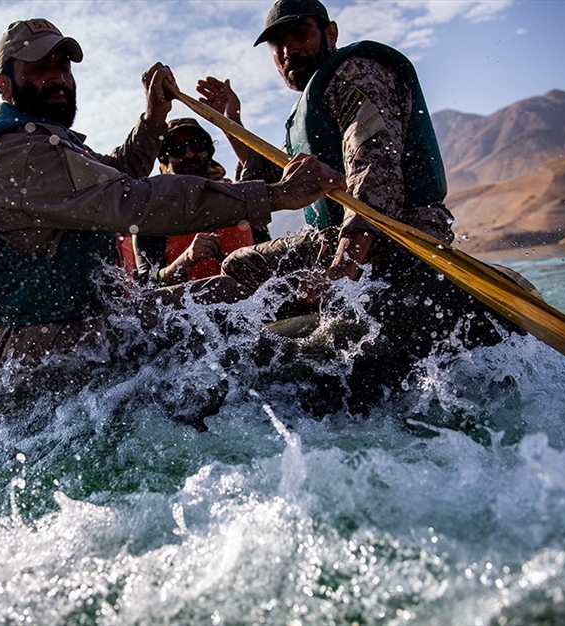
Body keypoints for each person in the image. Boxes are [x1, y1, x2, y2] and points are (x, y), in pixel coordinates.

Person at [0, 18, 342, 368]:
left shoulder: (46, 142)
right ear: (5, 85)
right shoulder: (19, 152)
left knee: (234, 291)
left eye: (62, 65)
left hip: (81, 319)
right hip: (44, 342)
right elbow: (133, 200)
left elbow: (118, 171)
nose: (57, 77)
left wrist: (154, 116)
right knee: (231, 304)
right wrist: (275, 194)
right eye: (39, 67)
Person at [193, 0, 527, 409]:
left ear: (329, 34)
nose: (287, 50)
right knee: (242, 264)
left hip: (396, 234)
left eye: (300, 34)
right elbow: (279, 179)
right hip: (338, 237)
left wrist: (342, 271)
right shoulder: (310, 104)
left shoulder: (354, 72)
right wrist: (232, 121)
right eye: (277, 44)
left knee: (239, 267)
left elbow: (375, 169)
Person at [131, 117, 270, 286]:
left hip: (249, 300)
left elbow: (267, 255)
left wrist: (230, 116)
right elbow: (146, 283)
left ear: (208, 152)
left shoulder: (239, 197)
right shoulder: (150, 213)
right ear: (166, 161)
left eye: (197, 146)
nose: (189, 155)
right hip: (188, 308)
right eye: (177, 150)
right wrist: (186, 260)